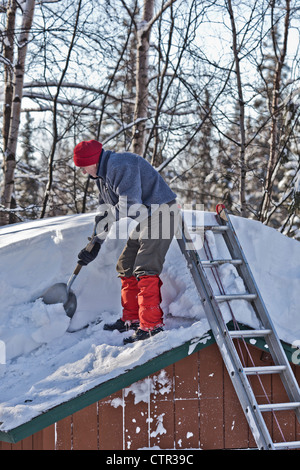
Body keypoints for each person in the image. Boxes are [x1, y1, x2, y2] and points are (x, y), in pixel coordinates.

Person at [73, 140, 179, 344]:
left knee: (145, 265)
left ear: (93, 160)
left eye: (83, 167)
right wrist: (95, 243)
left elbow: (130, 204)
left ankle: (151, 326)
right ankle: (131, 319)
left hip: (163, 212)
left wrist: (108, 222)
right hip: (147, 217)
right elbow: (105, 212)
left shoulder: (120, 165)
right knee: (125, 265)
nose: (84, 173)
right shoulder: (102, 177)